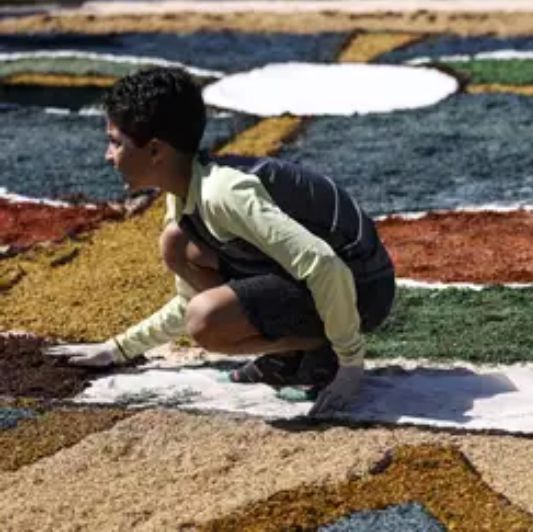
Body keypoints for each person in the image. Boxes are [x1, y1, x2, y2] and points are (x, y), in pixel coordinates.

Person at [44, 67, 396, 416]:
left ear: (155, 151)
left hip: (363, 287)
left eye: (116, 142)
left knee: (206, 322)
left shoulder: (223, 193)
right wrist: (117, 349)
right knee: (176, 246)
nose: (108, 155)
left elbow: (323, 262)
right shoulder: (185, 192)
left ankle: (323, 351)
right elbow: (190, 299)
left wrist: (351, 364)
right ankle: (293, 353)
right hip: (329, 281)